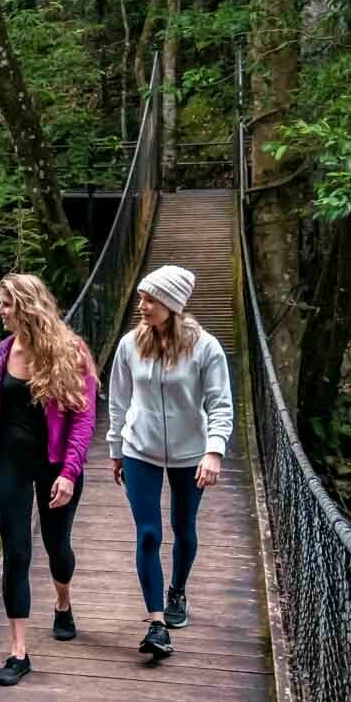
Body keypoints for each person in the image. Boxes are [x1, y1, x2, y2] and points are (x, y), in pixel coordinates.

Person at [106, 264, 233, 662]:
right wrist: (114, 448)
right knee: (148, 533)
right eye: (142, 298)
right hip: (139, 449)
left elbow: (220, 404)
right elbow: (117, 400)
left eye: (149, 299)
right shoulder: (130, 344)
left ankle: (177, 588)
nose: (141, 306)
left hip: (190, 453)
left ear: (172, 305)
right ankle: (157, 623)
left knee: (183, 526)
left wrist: (214, 450)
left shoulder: (205, 347)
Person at [0, 273, 97, 686]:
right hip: (9, 465)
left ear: (27, 307)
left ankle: (63, 604)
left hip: (54, 466)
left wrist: (69, 472)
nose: (0, 311)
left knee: (56, 547)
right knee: (15, 555)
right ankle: (18, 652)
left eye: (6, 304)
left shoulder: (69, 352)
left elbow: (83, 419)